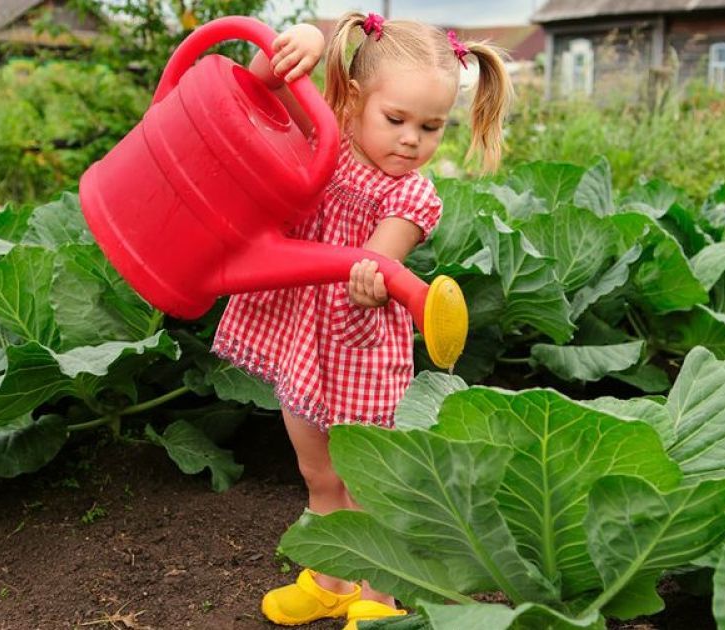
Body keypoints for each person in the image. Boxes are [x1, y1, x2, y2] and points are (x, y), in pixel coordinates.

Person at [210, 10, 512, 629]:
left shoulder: (411, 195)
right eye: (396, 119)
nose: (412, 140)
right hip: (301, 334)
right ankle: (329, 581)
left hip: (358, 349)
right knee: (318, 474)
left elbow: (380, 255)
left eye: (432, 127)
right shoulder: (327, 134)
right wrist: (297, 48)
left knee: (366, 480)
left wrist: (373, 277)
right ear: (352, 100)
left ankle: (379, 596)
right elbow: (255, 90)